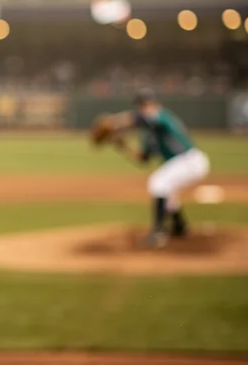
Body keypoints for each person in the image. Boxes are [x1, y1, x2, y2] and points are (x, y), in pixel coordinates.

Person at [90, 88, 210, 248]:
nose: (144, 106)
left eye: (146, 103)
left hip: (191, 160)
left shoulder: (160, 116)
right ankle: (180, 226)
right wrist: (123, 146)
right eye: (142, 104)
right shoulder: (149, 132)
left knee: (158, 182)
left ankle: (158, 233)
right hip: (184, 162)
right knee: (167, 189)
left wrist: (114, 122)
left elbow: (140, 119)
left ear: (154, 103)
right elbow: (143, 159)